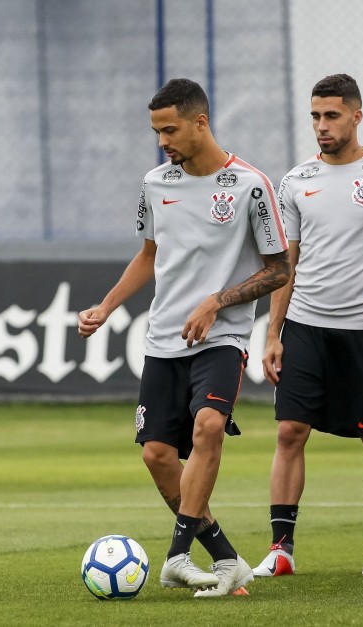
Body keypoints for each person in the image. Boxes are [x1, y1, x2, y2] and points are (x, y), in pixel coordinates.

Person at [77, 78, 290, 597]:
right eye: (156, 131)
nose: (162, 141)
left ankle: (176, 555)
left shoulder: (250, 185)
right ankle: (223, 557)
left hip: (223, 337)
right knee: (156, 455)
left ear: (201, 122)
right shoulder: (156, 183)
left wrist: (217, 301)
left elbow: (279, 269)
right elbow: (149, 255)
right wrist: (106, 306)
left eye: (169, 129)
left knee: (209, 426)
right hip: (163, 340)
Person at [250, 74, 363, 579]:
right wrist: (273, 333)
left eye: (331, 115)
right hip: (306, 326)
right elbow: (287, 264)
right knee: (289, 433)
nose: (321, 126)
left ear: (355, 115)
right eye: (315, 116)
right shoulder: (295, 181)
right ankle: (280, 549)